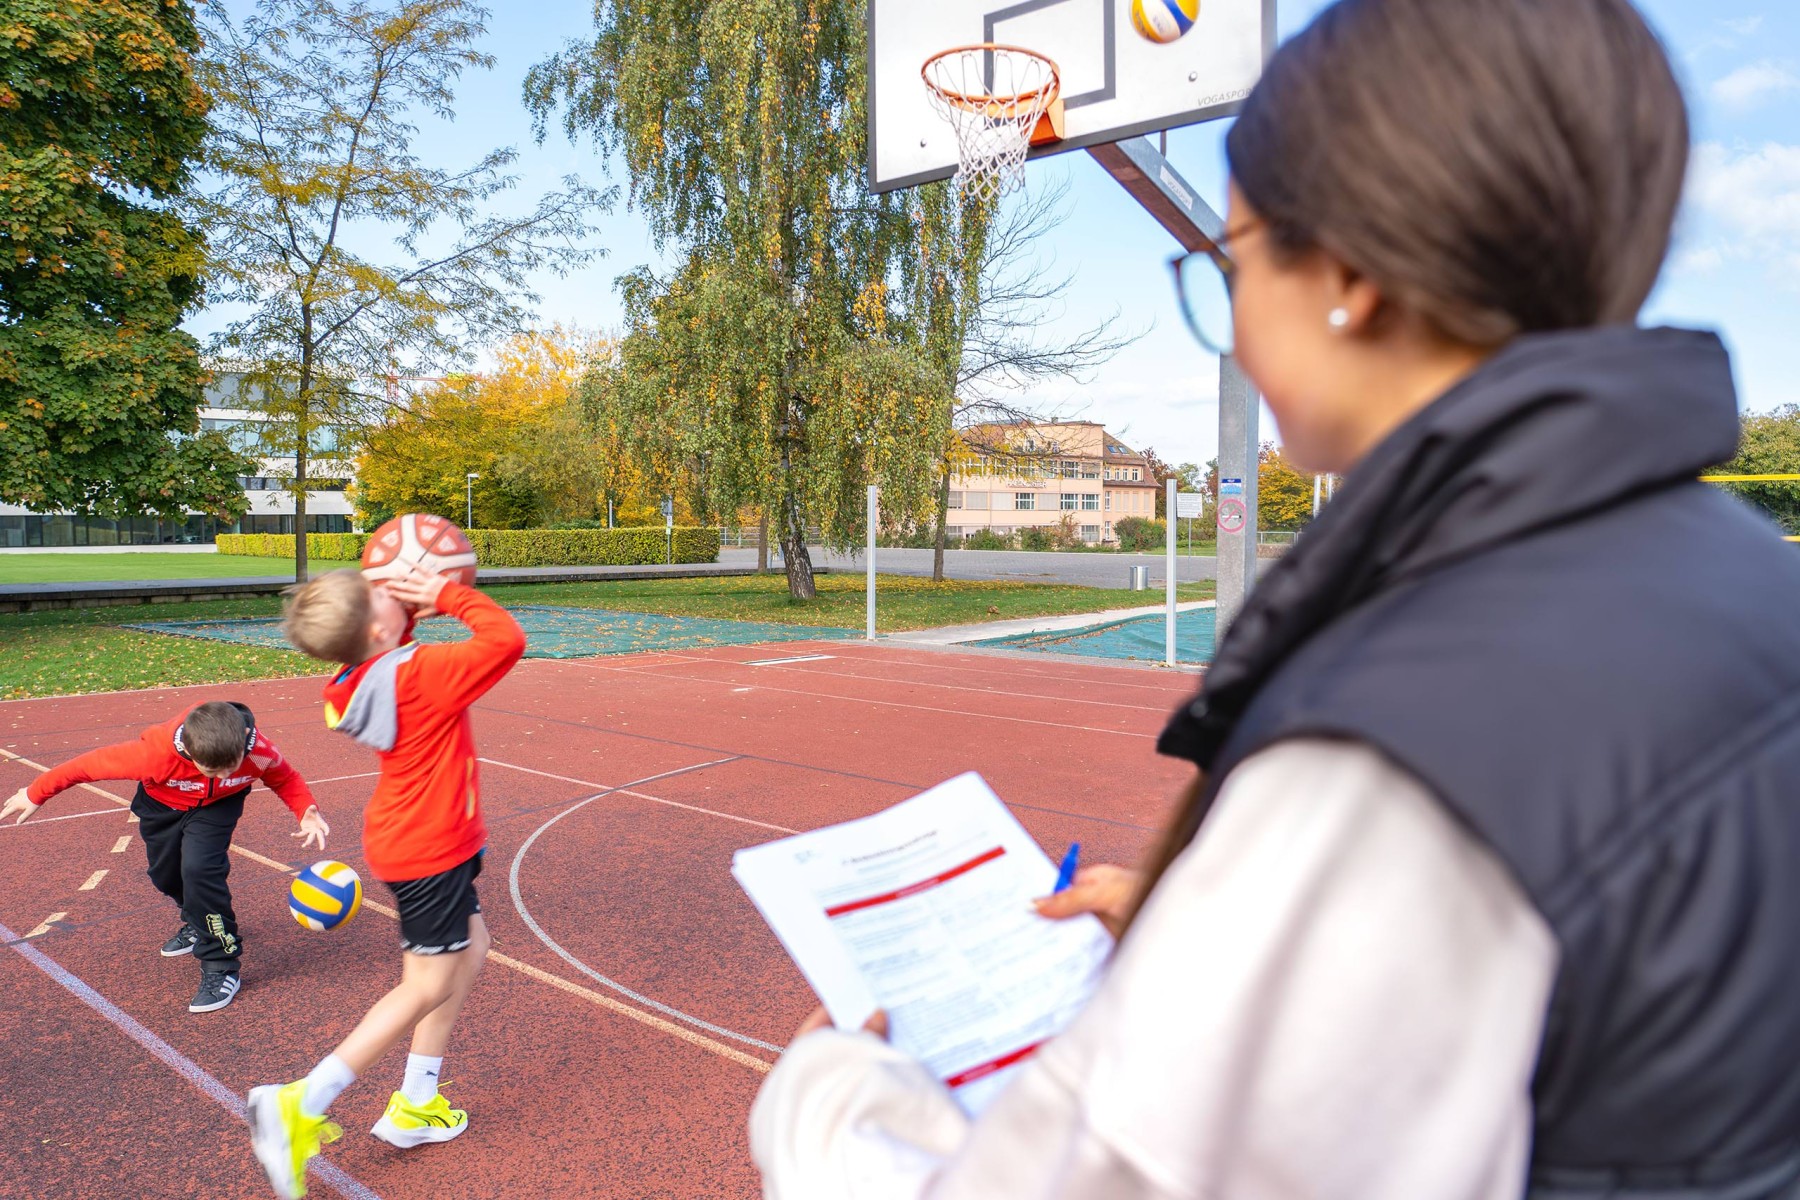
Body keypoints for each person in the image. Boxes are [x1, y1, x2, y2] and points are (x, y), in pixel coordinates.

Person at [747, 0, 1800, 1196]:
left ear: (1347, 274)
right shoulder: (1755, 582)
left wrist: (826, 1105)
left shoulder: (1407, 744)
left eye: (1229, 260)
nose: (1234, 315)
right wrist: (1241, 941)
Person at [246, 566, 525, 1200]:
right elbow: (505, 640)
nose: (398, 596)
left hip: (425, 841)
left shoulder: (351, 680)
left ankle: (416, 1104)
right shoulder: (421, 673)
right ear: (377, 626)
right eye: (384, 597)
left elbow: (384, 652)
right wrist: (448, 595)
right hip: (430, 849)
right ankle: (298, 1102)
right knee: (425, 984)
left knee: (472, 951)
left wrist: (400, 617)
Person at [1, 701, 328, 1014]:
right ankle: (197, 920)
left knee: (200, 871)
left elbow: (284, 778)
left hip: (215, 811)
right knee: (165, 876)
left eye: (231, 767)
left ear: (242, 740)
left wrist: (306, 811)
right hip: (162, 808)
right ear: (188, 748)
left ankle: (221, 964)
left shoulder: (257, 753)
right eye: (211, 770)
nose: (219, 776)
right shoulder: (153, 756)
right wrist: (35, 793)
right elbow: (82, 768)